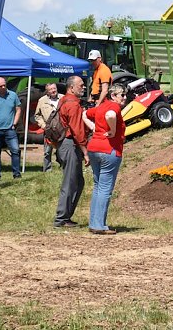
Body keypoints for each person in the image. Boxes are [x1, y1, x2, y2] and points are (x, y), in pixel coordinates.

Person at [84, 83, 127, 235]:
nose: (125, 97)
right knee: (104, 189)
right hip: (109, 150)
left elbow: (85, 114)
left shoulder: (101, 105)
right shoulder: (113, 107)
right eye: (122, 94)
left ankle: (94, 222)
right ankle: (99, 225)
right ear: (114, 96)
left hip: (94, 148)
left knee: (97, 187)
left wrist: (93, 127)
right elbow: (111, 116)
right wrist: (113, 130)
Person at [54, 75, 89, 228]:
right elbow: (77, 130)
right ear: (71, 87)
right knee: (70, 182)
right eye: (81, 85)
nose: (84, 87)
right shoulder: (73, 105)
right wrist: (85, 152)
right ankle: (61, 218)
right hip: (70, 145)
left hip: (64, 144)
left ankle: (65, 217)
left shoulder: (63, 100)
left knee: (77, 182)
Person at [0, 77, 22, 181]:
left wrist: (14, 123)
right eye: (1, 86)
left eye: (4, 85)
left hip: (10, 129)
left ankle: (17, 174)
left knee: (16, 151)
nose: (3, 87)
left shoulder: (13, 95)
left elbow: (18, 109)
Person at [33, 83, 60, 172]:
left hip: (61, 129)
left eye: (54, 88)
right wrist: (43, 126)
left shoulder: (63, 98)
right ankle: (47, 169)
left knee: (62, 149)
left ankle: (63, 167)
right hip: (48, 129)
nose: (53, 90)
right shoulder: (42, 100)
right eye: (51, 89)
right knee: (47, 151)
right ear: (47, 92)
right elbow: (37, 115)